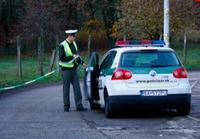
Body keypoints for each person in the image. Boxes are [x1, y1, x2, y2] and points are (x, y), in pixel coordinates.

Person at [59, 28, 87, 112]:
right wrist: (72, 57)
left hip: (74, 69)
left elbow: (77, 56)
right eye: (74, 36)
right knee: (66, 88)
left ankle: (79, 106)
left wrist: (82, 63)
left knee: (77, 88)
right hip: (65, 70)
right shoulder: (62, 45)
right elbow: (61, 58)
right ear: (69, 36)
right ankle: (66, 106)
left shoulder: (74, 43)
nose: (75, 38)